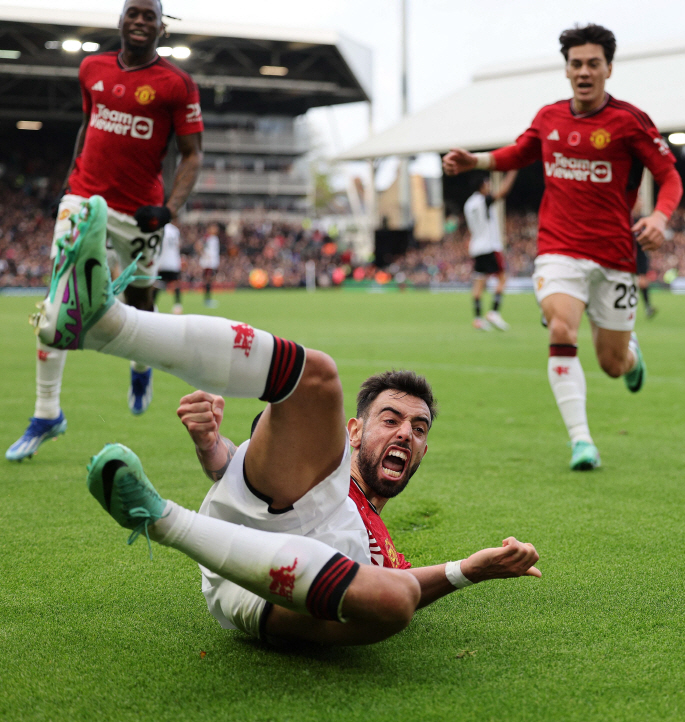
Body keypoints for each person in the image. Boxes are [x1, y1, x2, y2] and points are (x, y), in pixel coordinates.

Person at [35, 195, 540, 646]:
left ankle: (157, 517)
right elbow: (260, 461)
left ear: (424, 452)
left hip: (267, 594)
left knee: (396, 602)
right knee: (317, 376)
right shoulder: (330, 468)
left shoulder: (383, 546)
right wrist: (214, 449)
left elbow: (407, 583)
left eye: (419, 428)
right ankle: (107, 323)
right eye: (391, 418)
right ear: (357, 430)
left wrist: (471, 570)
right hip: (278, 510)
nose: (406, 432)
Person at [443, 23, 682, 471]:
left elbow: (670, 176)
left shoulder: (630, 121)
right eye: (576, 64)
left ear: (609, 68)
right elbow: (519, 152)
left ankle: (632, 359)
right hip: (559, 250)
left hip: (614, 256)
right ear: (567, 70)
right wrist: (475, 160)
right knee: (561, 329)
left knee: (611, 363)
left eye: (594, 63)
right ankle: (582, 441)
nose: (584, 71)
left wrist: (659, 217)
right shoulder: (550, 117)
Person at [6, 0, 203, 459]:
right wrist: (70, 181)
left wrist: (169, 209)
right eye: (132, 12)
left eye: (148, 15)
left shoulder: (176, 83)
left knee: (140, 299)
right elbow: (88, 123)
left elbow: (192, 154)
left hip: (140, 213)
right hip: (83, 200)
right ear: (120, 20)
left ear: (160, 27)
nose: (139, 20)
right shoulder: (91, 68)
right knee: (57, 306)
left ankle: (140, 364)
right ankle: (46, 412)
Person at [463, 170, 518, 331]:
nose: (489, 186)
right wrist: (513, 171)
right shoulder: (483, 201)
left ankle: (478, 318)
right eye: (487, 183)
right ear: (482, 185)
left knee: (479, 282)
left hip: (476, 246)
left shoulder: (468, 203)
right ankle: (494, 311)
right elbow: (502, 192)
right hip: (489, 245)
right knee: (502, 278)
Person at [154, 220, 183, 314]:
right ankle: (178, 305)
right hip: (174, 261)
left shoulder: (160, 229)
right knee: (175, 284)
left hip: (163, 262)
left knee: (157, 284)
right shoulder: (175, 230)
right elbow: (178, 245)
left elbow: (158, 246)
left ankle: (152, 305)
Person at [199, 223, 221, 308]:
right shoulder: (207, 238)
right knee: (208, 281)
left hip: (212, 263)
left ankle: (208, 299)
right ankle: (207, 300)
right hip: (208, 263)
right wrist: (204, 255)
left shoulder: (214, 238)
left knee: (210, 281)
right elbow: (198, 245)